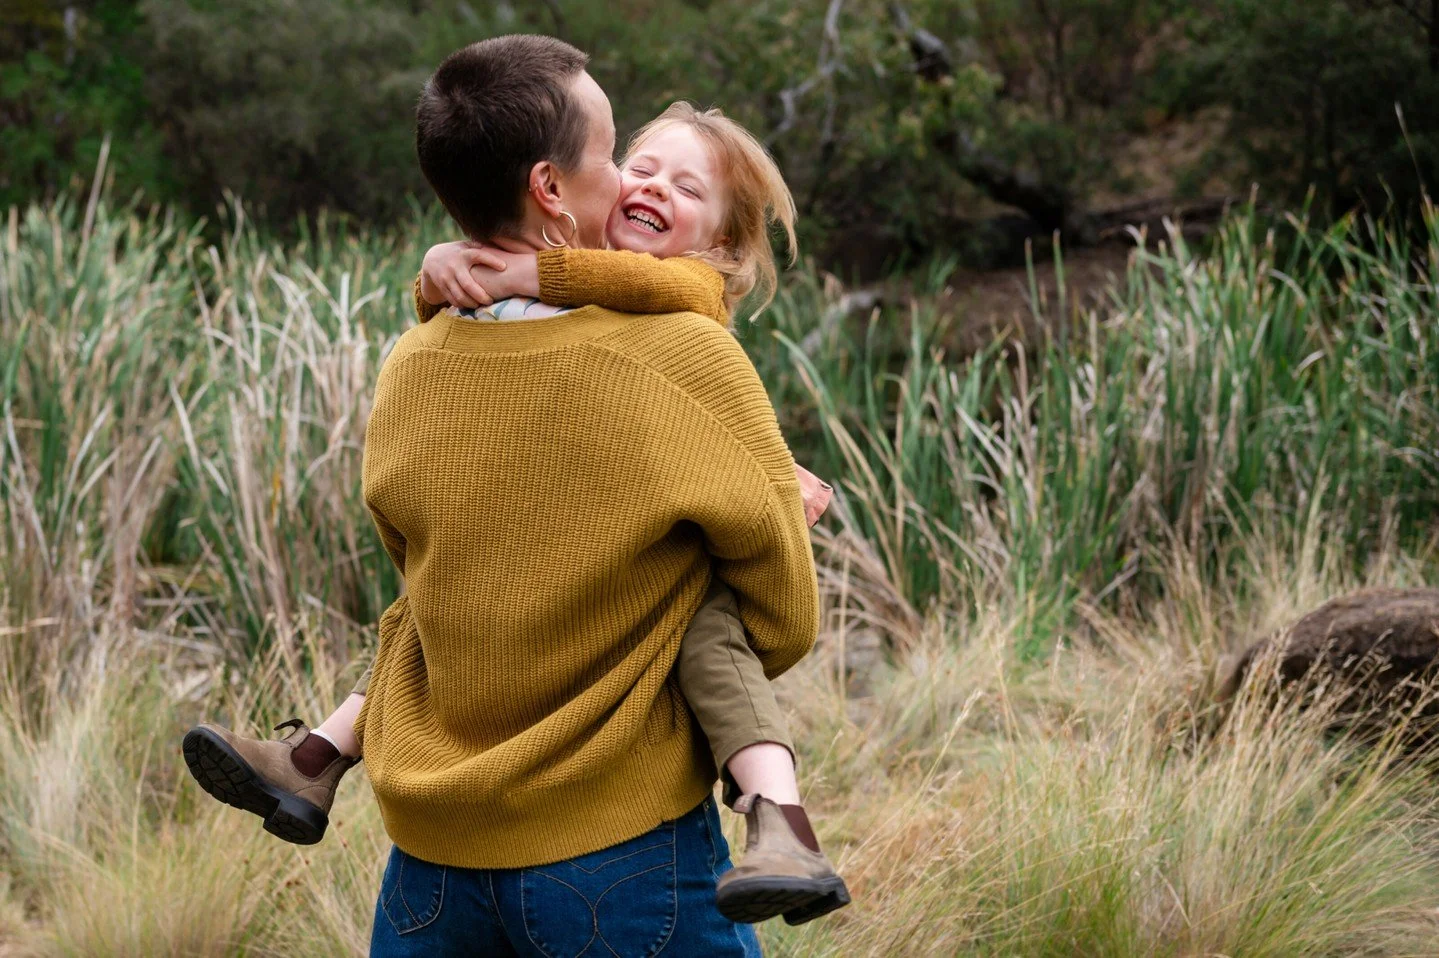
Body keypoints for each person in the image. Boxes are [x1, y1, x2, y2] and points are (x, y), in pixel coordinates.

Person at [181, 35, 822, 955]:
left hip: (428, 863)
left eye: (685, 189)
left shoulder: (415, 359)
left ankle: (315, 757)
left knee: (419, 611)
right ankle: (778, 812)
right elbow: (786, 618)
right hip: (619, 847)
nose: (638, 188)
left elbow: (418, 567)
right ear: (553, 190)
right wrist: (680, 621)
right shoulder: (681, 357)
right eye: (618, 159)